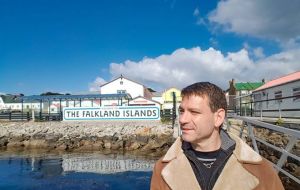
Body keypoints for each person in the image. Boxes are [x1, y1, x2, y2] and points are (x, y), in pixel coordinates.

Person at [150, 82, 284, 190]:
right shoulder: (162, 168)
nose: (182, 119)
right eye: (182, 111)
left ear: (218, 117)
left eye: (194, 112)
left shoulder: (260, 170)